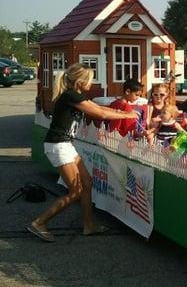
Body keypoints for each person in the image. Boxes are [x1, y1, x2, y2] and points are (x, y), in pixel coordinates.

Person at [27, 63, 138, 242]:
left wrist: (120, 111)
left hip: (66, 144)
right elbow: (100, 114)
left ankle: (89, 226)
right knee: (76, 191)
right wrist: (126, 116)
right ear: (80, 81)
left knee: (87, 182)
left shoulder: (76, 96)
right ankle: (39, 223)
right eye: (90, 79)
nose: (92, 82)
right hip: (58, 145)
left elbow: (100, 108)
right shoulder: (71, 95)